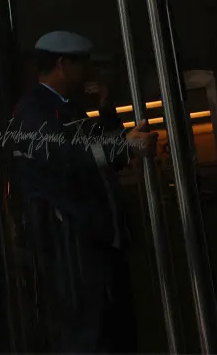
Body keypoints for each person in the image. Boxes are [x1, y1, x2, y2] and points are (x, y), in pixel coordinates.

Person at [12, 31, 157, 353]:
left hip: (96, 241)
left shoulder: (68, 108)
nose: (89, 73)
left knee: (114, 333)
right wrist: (123, 145)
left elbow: (102, 161)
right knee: (90, 337)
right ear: (63, 64)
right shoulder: (34, 111)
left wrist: (106, 109)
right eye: (84, 64)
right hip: (73, 248)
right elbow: (70, 158)